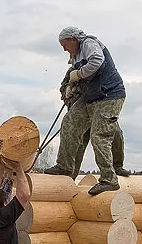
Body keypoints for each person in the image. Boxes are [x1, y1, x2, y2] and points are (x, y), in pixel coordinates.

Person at [45, 27, 127, 195]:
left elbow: (97, 61)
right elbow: (73, 79)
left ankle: (109, 178)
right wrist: (72, 87)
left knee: (101, 135)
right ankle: (65, 167)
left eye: (65, 45)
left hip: (109, 94)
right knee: (69, 123)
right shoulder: (75, 57)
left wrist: (79, 74)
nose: (64, 49)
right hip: (91, 97)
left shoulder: (89, 44)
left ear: (73, 39)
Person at [59, 67, 130, 180]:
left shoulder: (98, 67)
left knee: (116, 134)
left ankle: (117, 166)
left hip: (98, 111)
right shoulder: (73, 71)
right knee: (77, 147)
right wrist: (69, 91)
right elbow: (63, 90)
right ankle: (69, 176)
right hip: (80, 118)